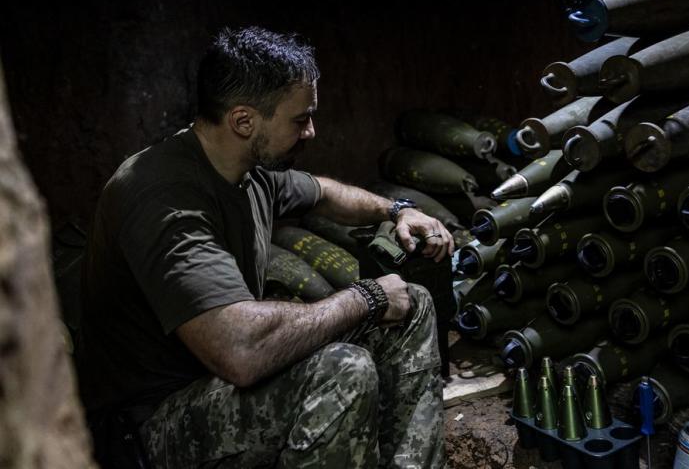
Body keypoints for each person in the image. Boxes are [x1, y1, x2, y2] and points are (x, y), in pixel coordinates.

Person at [78, 26, 453, 468]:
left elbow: (326, 194)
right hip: (151, 428)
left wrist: (398, 210)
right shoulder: (164, 200)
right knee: (341, 369)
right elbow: (239, 350)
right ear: (243, 121)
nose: (311, 131)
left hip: (216, 383)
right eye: (299, 120)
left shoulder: (247, 168)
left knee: (413, 304)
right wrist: (365, 298)